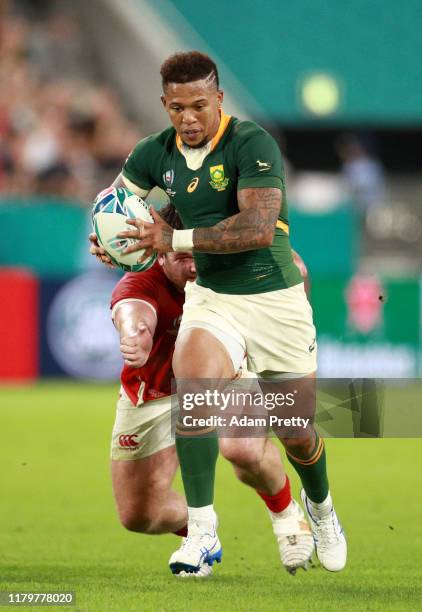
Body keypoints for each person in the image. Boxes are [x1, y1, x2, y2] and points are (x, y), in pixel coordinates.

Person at [107, 50, 347, 576]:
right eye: (176, 108)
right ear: (164, 105)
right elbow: (113, 204)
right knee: (193, 383)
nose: (188, 118)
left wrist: (173, 236)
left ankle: (322, 509)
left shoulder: (251, 142)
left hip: (273, 296)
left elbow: (258, 227)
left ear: (218, 99)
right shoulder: (153, 153)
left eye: (198, 105)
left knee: (297, 430)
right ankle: (202, 530)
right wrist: (109, 241)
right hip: (212, 296)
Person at [90, 205, 314, 577]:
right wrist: (135, 336)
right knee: (139, 515)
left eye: (201, 256)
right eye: (182, 258)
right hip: (154, 392)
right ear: (160, 254)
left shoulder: (230, 268)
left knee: (242, 449)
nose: (195, 266)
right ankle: (199, 530)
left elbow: (293, 271)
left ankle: (288, 517)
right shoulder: (141, 282)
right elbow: (132, 312)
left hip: (224, 376)